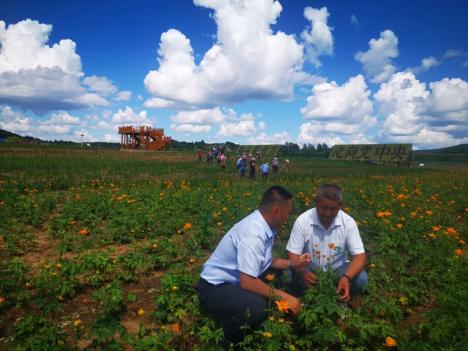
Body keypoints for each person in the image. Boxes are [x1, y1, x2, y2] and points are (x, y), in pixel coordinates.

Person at [197, 186, 311, 346]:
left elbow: (265, 260)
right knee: (257, 308)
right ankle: (227, 341)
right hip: (213, 288)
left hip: (234, 281)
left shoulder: (263, 224)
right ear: (277, 211)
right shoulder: (253, 234)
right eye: (288, 212)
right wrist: (285, 297)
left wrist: (293, 263)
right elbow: (248, 282)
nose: (288, 217)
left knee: (278, 274)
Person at [287, 184, 368, 302]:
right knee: (288, 275)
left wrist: (346, 277)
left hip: (338, 270)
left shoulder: (348, 223)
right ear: (315, 202)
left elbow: (360, 256)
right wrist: (303, 272)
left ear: (340, 206)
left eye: (333, 209)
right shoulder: (303, 221)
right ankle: (305, 299)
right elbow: (293, 253)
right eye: (323, 207)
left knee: (361, 279)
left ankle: (342, 297)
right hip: (310, 268)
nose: (327, 214)